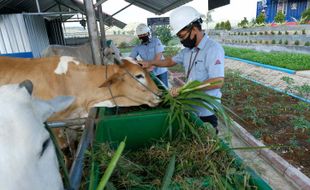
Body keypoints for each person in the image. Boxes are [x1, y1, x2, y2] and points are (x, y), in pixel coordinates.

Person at [140, 6, 225, 134]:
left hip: (206, 109)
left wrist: (184, 89)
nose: (181, 40)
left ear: (194, 29)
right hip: (190, 106)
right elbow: (169, 61)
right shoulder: (187, 51)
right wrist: (149, 62)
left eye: (182, 36)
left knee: (206, 142)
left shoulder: (213, 49)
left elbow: (217, 81)